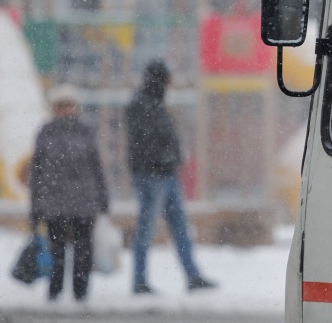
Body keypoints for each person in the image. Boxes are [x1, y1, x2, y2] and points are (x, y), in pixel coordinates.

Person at [126, 59, 216, 294]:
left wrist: (171, 159)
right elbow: (146, 144)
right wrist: (168, 159)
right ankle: (140, 280)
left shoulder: (150, 103)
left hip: (164, 175)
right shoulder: (143, 105)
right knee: (148, 229)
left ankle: (192, 275)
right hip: (153, 176)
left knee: (178, 228)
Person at [29, 84, 109, 301]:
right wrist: (36, 205)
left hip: (84, 202)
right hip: (55, 203)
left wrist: (103, 198)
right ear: (55, 108)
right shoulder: (46, 132)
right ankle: (55, 291)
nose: (66, 110)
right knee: (57, 251)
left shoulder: (85, 132)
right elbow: (37, 171)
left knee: (84, 251)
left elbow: (96, 168)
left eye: (70, 105)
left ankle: (80, 293)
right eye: (62, 106)